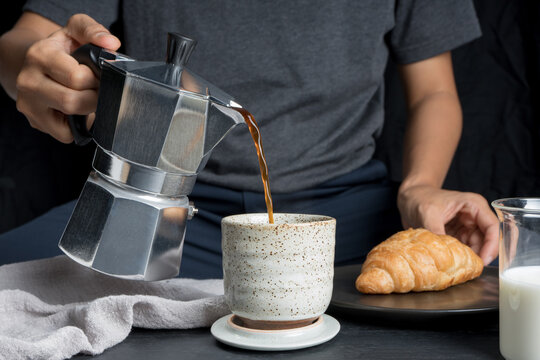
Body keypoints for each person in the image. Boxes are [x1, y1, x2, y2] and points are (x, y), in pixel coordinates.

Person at [0, 1, 499, 278]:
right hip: (175, 208)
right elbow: (22, 42)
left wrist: (421, 186)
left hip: (345, 214)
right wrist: (39, 64)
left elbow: (434, 92)